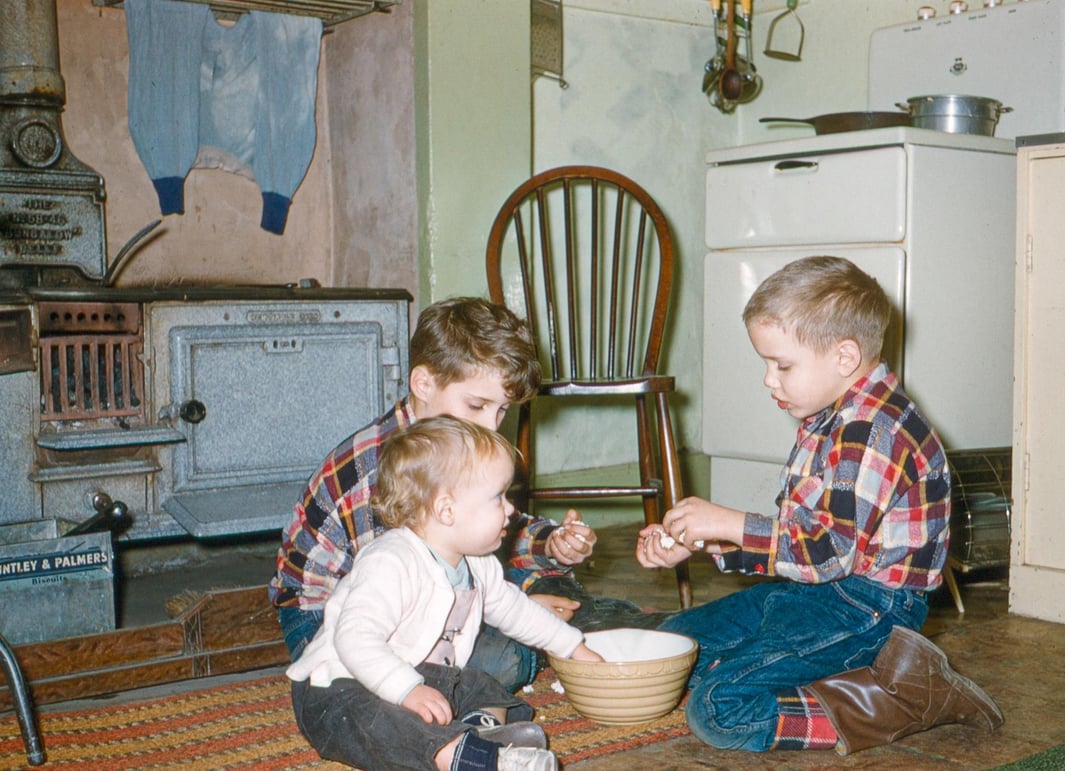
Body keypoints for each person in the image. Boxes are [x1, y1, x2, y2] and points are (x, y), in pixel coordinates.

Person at [636, 256, 1004, 754]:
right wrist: (707, 541)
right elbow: (801, 540)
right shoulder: (832, 416)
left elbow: (828, 552)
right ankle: (824, 675)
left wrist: (731, 522)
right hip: (813, 591)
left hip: (871, 610)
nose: (769, 380)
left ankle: (898, 703)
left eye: (782, 365)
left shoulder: (873, 431)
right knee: (675, 647)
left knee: (718, 707)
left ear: (844, 357)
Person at [270, 296, 661, 692]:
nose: (490, 426)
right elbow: (406, 591)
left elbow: (477, 525)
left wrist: (551, 543)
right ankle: (554, 637)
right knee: (497, 660)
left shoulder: (458, 441)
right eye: (477, 405)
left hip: (438, 582)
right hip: (333, 620)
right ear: (423, 384)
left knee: (546, 585)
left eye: (502, 410)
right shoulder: (382, 467)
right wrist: (510, 609)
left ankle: (565, 623)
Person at [287, 416, 603, 770]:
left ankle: (480, 730)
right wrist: (407, 689)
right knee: (377, 720)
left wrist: (572, 646)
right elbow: (354, 639)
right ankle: (461, 757)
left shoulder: (478, 563)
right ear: (446, 510)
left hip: (415, 669)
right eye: (498, 498)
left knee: (480, 684)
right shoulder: (390, 561)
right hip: (339, 685)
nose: (511, 509)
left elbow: (517, 610)